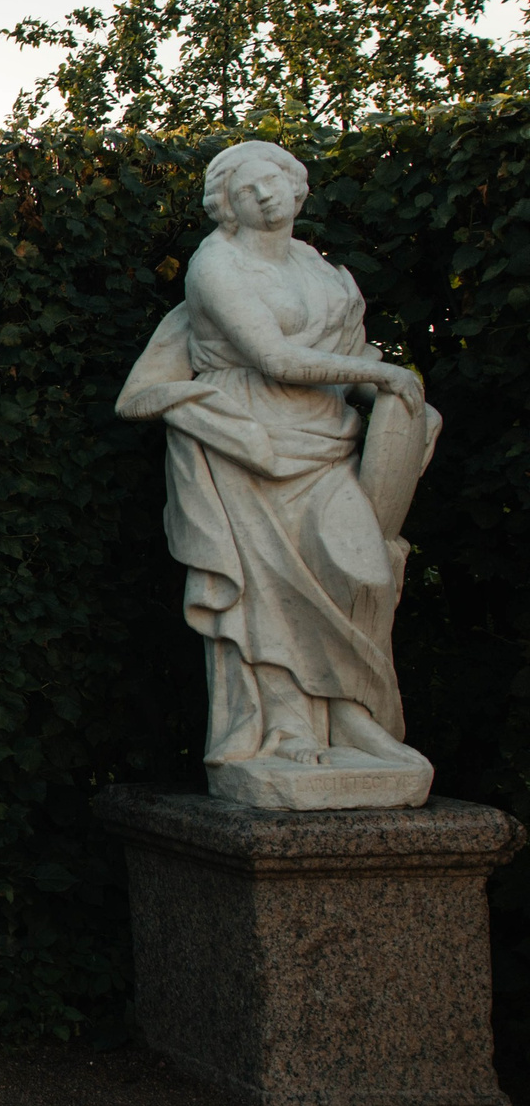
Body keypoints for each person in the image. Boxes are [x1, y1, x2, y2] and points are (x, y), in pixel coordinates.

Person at [116, 139, 439, 800]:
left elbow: (348, 357)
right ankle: (289, 725)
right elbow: (277, 359)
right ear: (225, 209)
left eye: (271, 181)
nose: (262, 195)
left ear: (298, 188)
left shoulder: (324, 273)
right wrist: (382, 373)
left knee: (358, 568)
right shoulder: (216, 264)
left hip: (325, 438)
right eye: (243, 191)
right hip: (247, 440)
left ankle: (352, 716)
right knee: (268, 590)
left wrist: (399, 419)